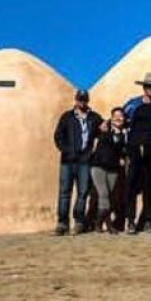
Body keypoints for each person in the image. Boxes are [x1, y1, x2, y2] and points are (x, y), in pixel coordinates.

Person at [122, 72, 151, 234]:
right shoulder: (133, 104)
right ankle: (130, 221)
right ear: (143, 87)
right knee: (131, 186)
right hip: (134, 148)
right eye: (149, 86)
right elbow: (119, 116)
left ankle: (148, 220)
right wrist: (107, 124)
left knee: (150, 186)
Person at [53, 90, 103, 235]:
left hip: (84, 161)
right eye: (80, 99)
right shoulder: (67, 117)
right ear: (75, 100)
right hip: (67, 161)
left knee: (83, 193)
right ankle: (62, 223)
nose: (82, 102)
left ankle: (79, 222)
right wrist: (66, 150)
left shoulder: (94, 118)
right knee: (64, 193)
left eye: (84, 100)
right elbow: (58, 136)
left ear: (88, 100)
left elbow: (103, 132)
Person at [90, 107, 128, 235]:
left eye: (121, 116)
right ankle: (109, 224)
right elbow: (92, 128)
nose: (118, 118)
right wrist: (103, 124)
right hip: (98, 166)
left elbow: (123, 151)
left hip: (113, 169)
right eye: (115, 116)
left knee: (110, 196)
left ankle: (98, 223)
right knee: (104, 194)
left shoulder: (124, 134)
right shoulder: (104, 129)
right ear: (111, 118)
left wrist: (122, 158)